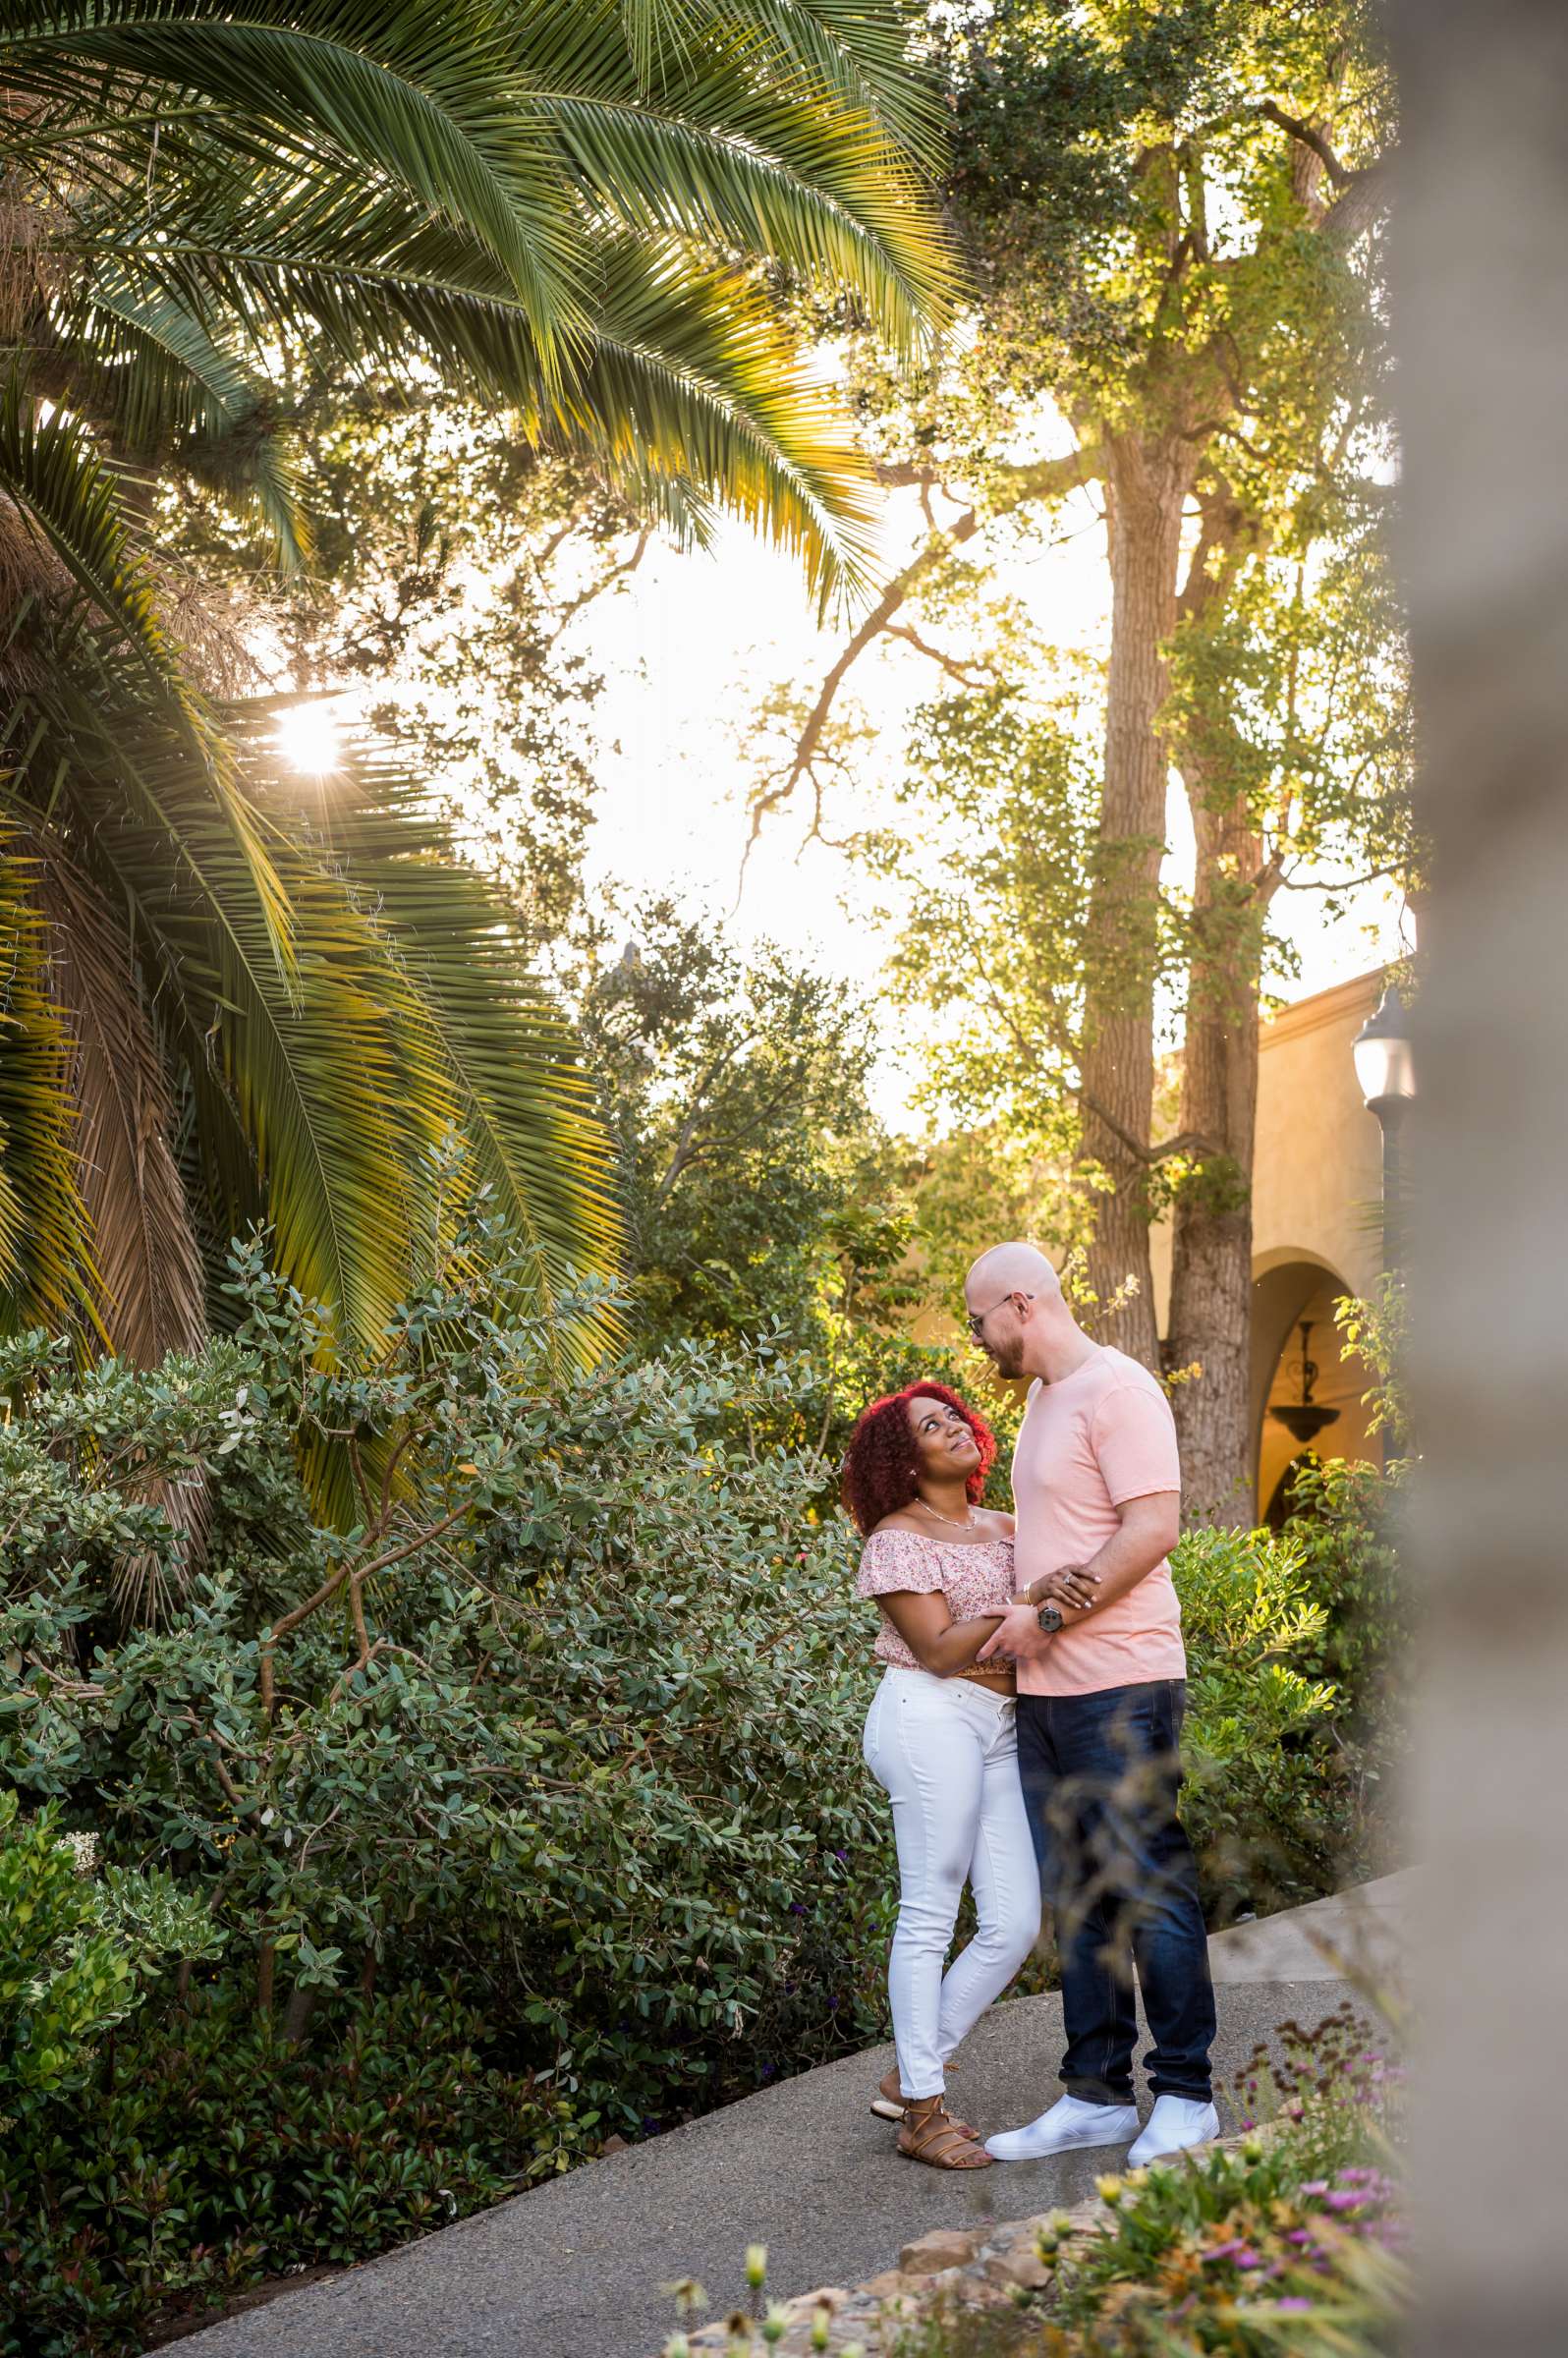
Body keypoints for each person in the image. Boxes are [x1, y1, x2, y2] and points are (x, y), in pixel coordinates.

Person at [963, 1241, 1219, 2169]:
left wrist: (1049, 1613)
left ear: (1021, 1305)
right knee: (1080, 1898)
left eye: (978, 1319)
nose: (976, 1338)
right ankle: (1097, 2096)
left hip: (1121, 1684)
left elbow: (1155, 1525)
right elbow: (1057, 1527)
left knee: (1148, 1883)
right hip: (1047, 1696)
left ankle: (1186, 2096)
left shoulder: (1117, 1390)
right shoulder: (1040, 1400)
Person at [844, 1379, 1041, 2172]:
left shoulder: (1008, 1528)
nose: (954, 1426)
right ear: (905, 1458)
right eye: (932, 1425)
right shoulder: (896, 1538)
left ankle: (908, 2073)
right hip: (929, 1713)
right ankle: (922, 2111)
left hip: (1002, 1724)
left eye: (955, 1414)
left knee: (1015, 1923)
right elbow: (938, 1649)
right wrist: (1018, 1608)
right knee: (930, 1910)